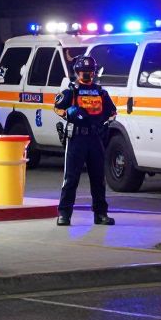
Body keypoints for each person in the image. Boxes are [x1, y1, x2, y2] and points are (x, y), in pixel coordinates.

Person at [54, 55, 116, 227]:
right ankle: (64, 214)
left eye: (90, 71)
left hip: (95, 138)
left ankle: (101, 214)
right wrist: (69, 114)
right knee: (71, 178)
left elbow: (112, 112)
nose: (87, 74)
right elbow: (57, 108)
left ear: (94, 72)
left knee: (98, 178)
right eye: (83, 71)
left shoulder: (101, 92)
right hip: (77, 138)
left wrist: (104, 122)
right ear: (77, 72)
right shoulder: (71, 91)